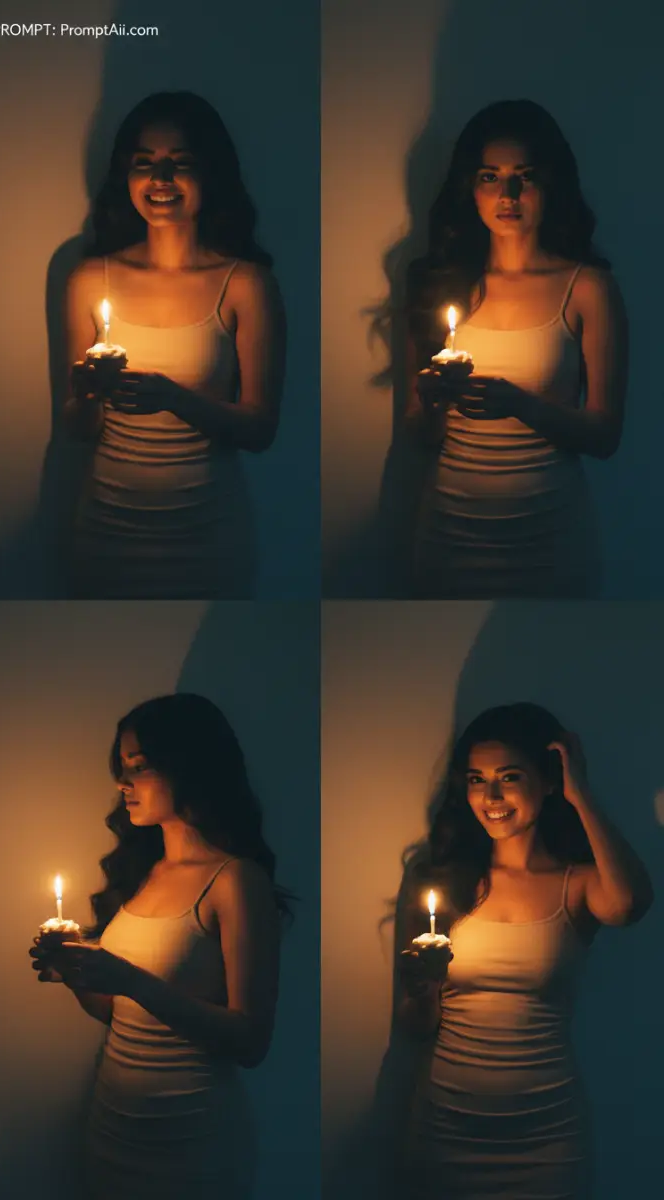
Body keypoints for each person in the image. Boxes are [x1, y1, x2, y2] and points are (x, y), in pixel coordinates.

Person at [30, 693, 291, 1200]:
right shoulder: (144, 872)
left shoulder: (234, 881)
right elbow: (117, 1014)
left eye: (139, 767)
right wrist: (75, 974)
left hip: (194, 1143)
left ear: (188, 768)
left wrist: (127, 978)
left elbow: (251, 1041)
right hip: (112, 1131)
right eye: (122, 768)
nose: (122, 784)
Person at [397, 703, 652, 1199]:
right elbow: (413, 1026)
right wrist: (424, 988)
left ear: (550, 780)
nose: (490, 796)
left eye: (509, 777)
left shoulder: (576, 884)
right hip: (445, 1131)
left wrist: (582, 794)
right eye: (476, 779)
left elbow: (631, 905)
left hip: (548, 1140)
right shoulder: (440, 882)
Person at [64, 91, 286, 598]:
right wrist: (88, 394)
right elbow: (76, 426)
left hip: (208, 536)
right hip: (105, 531)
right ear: (126, 176)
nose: (161, 180)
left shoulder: (246, 283)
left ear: (211, 175)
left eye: (180, 163)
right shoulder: (89, 278)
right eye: (145, 164)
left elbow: (260, 429)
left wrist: (174, 398)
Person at [405, 100, 628, 598]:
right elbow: (420, 435)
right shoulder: (437, 284)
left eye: (524, 176)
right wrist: (431, 400)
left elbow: (605, 435)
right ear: (470, 186)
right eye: (490, 176)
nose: (507, 194)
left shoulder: (587, 288)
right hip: (449, 533)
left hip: (552, 538)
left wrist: (522, 405)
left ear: (551, 183)